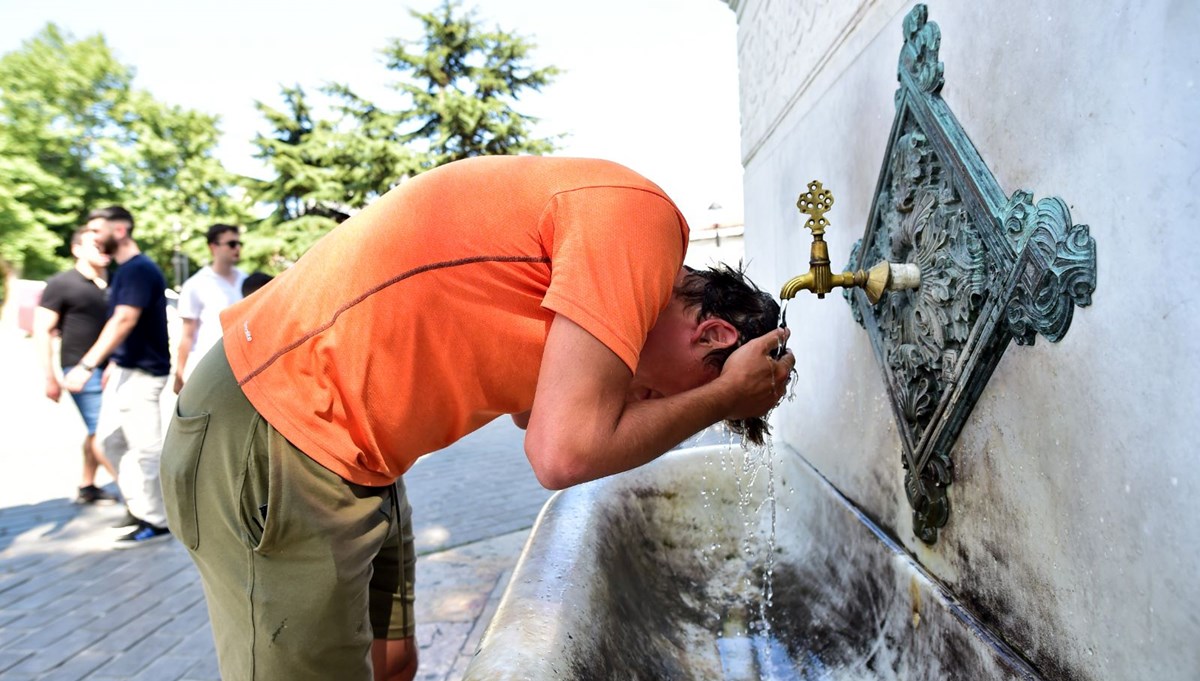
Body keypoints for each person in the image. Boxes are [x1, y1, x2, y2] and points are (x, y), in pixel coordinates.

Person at [163, 156, 794, 681]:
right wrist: (722, 399)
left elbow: (530, 415)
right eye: (671, 396)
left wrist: (700, 394)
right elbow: (562, 453)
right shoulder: (640, 221)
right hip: (275, 427)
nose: (654, 405)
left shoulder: (603, 287)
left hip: (358, 452)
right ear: (710, 332)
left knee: (392, 662)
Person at [64, 206, 172, 548]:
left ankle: (156, 522)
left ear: (120, 230)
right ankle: (140, 507)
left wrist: (86, 365)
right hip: (125, 370)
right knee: (110, 442)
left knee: (145, 450)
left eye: (98, 230)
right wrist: (112, 364)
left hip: (144, 374)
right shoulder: (124, 271)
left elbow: (125, 319)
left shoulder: (140, 269)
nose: (93, 237)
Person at [34, 225, 119, 504]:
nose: (104, 249)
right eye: (96, 244)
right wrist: (50, 377)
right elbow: (42, 330)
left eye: (106, 244)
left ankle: (87, 486)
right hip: (80, 369)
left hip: (115, 367)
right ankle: (140, 501)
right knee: (102, 432)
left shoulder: (117, 281)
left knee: (97, 430)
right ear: (77, 250)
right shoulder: (61, 283)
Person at [173, 224, 247, 394]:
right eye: (231, 244)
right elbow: (187, 334)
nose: (237, 248)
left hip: (243, 366)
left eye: (239, 243)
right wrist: (179, 374)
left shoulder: (246, 280)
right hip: (208, 367)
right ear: (213, 247)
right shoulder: (196, 284)